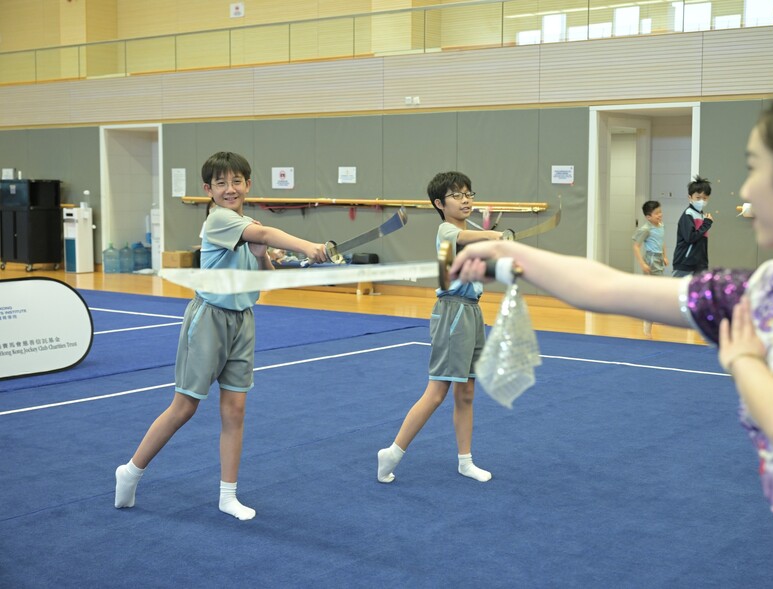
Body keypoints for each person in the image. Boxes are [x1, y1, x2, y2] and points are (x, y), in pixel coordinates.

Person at [449, 82, 773, 586]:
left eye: (755, 169)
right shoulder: (770, 289)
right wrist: (511, 259)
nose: (745, 192)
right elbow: (608, 288)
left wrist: (743, 358)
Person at [114, 151, 328, 520]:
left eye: (236, 182)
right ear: (208, 190)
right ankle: (131, 470)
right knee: (185, 407)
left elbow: (265, 280)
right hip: (209, 319)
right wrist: (308, 246)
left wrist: (262, 256)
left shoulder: (247, 226)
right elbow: (262, 232)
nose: (230, 189)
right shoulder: (219, 221)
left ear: (248, 184)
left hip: (243, 321)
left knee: (235, 409)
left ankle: (228, 495)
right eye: (221, 183)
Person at [377, 171, 503, 484]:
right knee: (437, 392)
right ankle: (392, 452)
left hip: (473, 313)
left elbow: (480, 271)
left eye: (469, 194)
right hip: (452, 314)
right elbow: (460, 240)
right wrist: (493, 237)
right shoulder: (447, 230)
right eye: (457, 195)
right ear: (439, 203)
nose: (466, 200)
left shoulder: (471, 232)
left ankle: (465, 460)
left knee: (467, 392)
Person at [632, 200, 668, 335]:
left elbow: (662, 241)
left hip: (658, 258)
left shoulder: (661, 225)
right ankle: (648, 322)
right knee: (654, 292)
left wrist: (664, 256)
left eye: (660, 212)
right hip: (651, 260)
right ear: (648, 217)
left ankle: (653, 316)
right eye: (656, 213)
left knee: (657, 291)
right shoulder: (645, 229)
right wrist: (642, 264)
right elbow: (636, 246)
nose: (660, 215)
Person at [671, 174, 713, 277]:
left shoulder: (702, 216)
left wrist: (704, 263)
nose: (701, 201)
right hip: (685, 263)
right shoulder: (688, 214)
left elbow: (701, 242)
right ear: (690, 197)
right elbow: (690, 237)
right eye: (698, 197)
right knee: (678, 291)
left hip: (700, 265)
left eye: (704, 198)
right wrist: (707, 224)